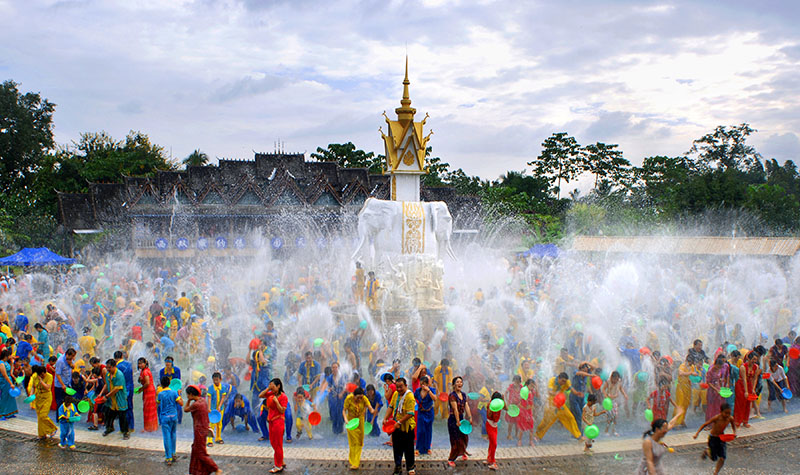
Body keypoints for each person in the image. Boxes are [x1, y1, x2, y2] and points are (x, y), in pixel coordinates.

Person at [636, 406, 685, 474]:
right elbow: (649, 462)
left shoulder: (659, 436)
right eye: (664, 429)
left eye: (666, 428)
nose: (666, 431)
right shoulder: (648, 442)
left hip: (658, 468)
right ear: (657, 429)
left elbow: (671, 423)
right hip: (647, 470)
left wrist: (679, 414)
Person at [184, 385, 220, 475]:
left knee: (200, 452)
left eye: (188, 395)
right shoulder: (202, 401)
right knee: (195, 449)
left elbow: (185, 409)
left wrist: (189, 400)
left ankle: (216, 469)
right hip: (203, 428)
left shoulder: (196, 404)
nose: (187, 397)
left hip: (199, 430)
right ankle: (198, 471)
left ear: (191, 394)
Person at [537, 372, 582, 441]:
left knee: (570, 417)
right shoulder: (552, 380)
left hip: (560, 404)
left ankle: (578, 435)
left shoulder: (566, 382)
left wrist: (576, 393)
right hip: (551, 403)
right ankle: (537, 435)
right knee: (546, 421)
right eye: (562, 381)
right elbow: (549, 392)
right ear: (559, 378)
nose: (563, 383)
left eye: (565, 381)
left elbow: (571, 388)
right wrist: (556, 394)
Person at [693, 403, 736, 475]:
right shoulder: (717, 418)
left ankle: (716, 472)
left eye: (729, 413)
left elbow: (733, 425)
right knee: (714, 458)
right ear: (721, 412)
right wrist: (697, 433)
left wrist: (734, 433)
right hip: (713, 438)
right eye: (726, 413)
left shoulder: (730, 418)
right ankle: (707, 451)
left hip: (722, 438)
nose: (727, 415)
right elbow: (705, 424)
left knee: (722, 457)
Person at [386, 377, 416, 475]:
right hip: (396, 426)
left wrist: (399, 422)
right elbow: (391, 406)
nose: (399, 389)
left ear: (406, 386)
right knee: (397, 449)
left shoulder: (410, 396)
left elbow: (410, 413)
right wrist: (385, 418)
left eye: (401, 387)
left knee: (409, 449)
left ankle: (410, 467)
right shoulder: (395, 394)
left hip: (407, 427)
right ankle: (398, 467)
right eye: (397, 387)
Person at [259, 378, 288, 473]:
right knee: (273, 442)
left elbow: (282, 410)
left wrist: (276, 401)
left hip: (278, 421)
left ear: (278, 386)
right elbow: (261, 395)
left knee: (278, 443)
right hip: (271, 421)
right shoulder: (271, 394)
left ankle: (278, 465)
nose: (272, 388)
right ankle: (280, 460)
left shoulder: (283, 397)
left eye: (273, 386)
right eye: (270, 385)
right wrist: (268, 389)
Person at [343, 386, 375, 469]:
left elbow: (370, 407)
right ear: (354, 395)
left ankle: (355, 459)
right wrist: (346, 420)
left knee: (360, 442)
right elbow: (344, 410)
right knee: (353, 441)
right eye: (358, 398)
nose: (360, 400)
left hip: (360, 420)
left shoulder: (364, 398)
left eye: (361, 398)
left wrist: (373, 411)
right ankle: (354, 462)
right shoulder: (348, 399)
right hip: (351, 422)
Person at [157, 375, 182, 465]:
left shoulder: (160, 394)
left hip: (165, 418)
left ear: (161, 384)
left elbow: (158, 404)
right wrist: (179, 394)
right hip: (174, 416)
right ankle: (173, 453)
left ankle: (168, 458)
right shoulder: (174, 393)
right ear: (169, 383)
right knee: (173, 434)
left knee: (166, 436)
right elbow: (181, 403)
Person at [447, 375, 471, 468]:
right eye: (457, 382)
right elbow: (455, 409)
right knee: (455, 440)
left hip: (461, 418)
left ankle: (462, 452)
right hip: (453, 420)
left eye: (461, 382)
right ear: (453, 385)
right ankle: (451, 459)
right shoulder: (452, 396)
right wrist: (457, 421)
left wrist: (470, 417)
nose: (459, 384)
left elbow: (466, 406)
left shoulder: (464, 394)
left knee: (464, 437)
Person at [29, 365, 57, 439]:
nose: (41, 376)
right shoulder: (35, 376)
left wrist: (41, 381)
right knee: (39, 417)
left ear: (44, 372)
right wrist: (31, 394)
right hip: (38, 397)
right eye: (40, 375)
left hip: (46, 397)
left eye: (42, 374)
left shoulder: (49, 376)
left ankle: (52, 428)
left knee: (43, 415)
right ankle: (42, 434)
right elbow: (33, 386)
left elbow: (48, 388)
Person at [413, 375, 435, 456]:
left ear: (427, 384)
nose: (423, 385)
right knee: (421, 430)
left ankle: (428, 448)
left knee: (428, 430)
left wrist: (428, 391)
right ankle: (418, 448)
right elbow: (413, 398)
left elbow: (435, 398)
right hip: (421, 412)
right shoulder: (418, 391)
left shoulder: (431, 390)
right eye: (421, 384)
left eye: (424, 384)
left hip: (429, 412)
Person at [207, 372, 230, 446]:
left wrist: (220, 406)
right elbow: (209, 398)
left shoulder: (223, 388)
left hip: (220, 409)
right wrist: (209, 407)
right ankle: (209, 440)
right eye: (214, 380)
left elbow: (223, 398)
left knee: (219, 423)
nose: (215, 382)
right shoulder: (211, 388)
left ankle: (218, 437)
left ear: (220, 379)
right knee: (211, 423)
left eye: (217, 380)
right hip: (212, 409)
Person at [114, 351, 135, 432]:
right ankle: (131, 426)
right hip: (130, 388)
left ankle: (124, 428)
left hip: (122, 389)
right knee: (130, 408)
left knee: (122, 409)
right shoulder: (129, 364)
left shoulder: (117, 367)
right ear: (122, 356)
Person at [138, 357, 158, 432]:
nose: (140, 365)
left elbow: (147, 383)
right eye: (139, 363)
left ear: (145, 363)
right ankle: (153, 426)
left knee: (148, 409)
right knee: (151, 408)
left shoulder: (145, 372)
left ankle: (148, 428)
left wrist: (141, 389)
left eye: (141, 363)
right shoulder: (144, 370)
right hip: (150, 390)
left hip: (149, 391)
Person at [485, 391, 503, 470]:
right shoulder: (490, 404)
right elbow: (489, 415)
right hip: (490, 425)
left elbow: (506, 408)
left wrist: (504, 399)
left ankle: (489, 459)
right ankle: (493, 462)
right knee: (494, 443)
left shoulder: (500, 404)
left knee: (492, 443)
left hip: (494, 425)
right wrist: (491, 409)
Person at [517, 378, 537, 447]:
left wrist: (533, 412)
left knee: (531, 428)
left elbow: (534, 400)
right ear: (527, 385)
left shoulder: (532, 392)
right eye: (531, 386)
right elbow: (520, 401)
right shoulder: (524, 391)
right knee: (522, 428)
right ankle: (519, 441)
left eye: (533, 386)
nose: (532, 387)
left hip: (529, 412)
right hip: (523, 411)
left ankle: (531, 441)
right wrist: (520, 406)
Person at [0, 349, 18, 419]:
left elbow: (10, 372)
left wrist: (12, 362)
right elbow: (4, 375)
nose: (11, 356)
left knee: (10, 397)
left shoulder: (7, 363)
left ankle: (10, 412)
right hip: (4, 382)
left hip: (8, 380)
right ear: (6, 356)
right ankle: (2, 413)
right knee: (4, 397)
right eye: (9, 355)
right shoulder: (1, 363)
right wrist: (11, 383)